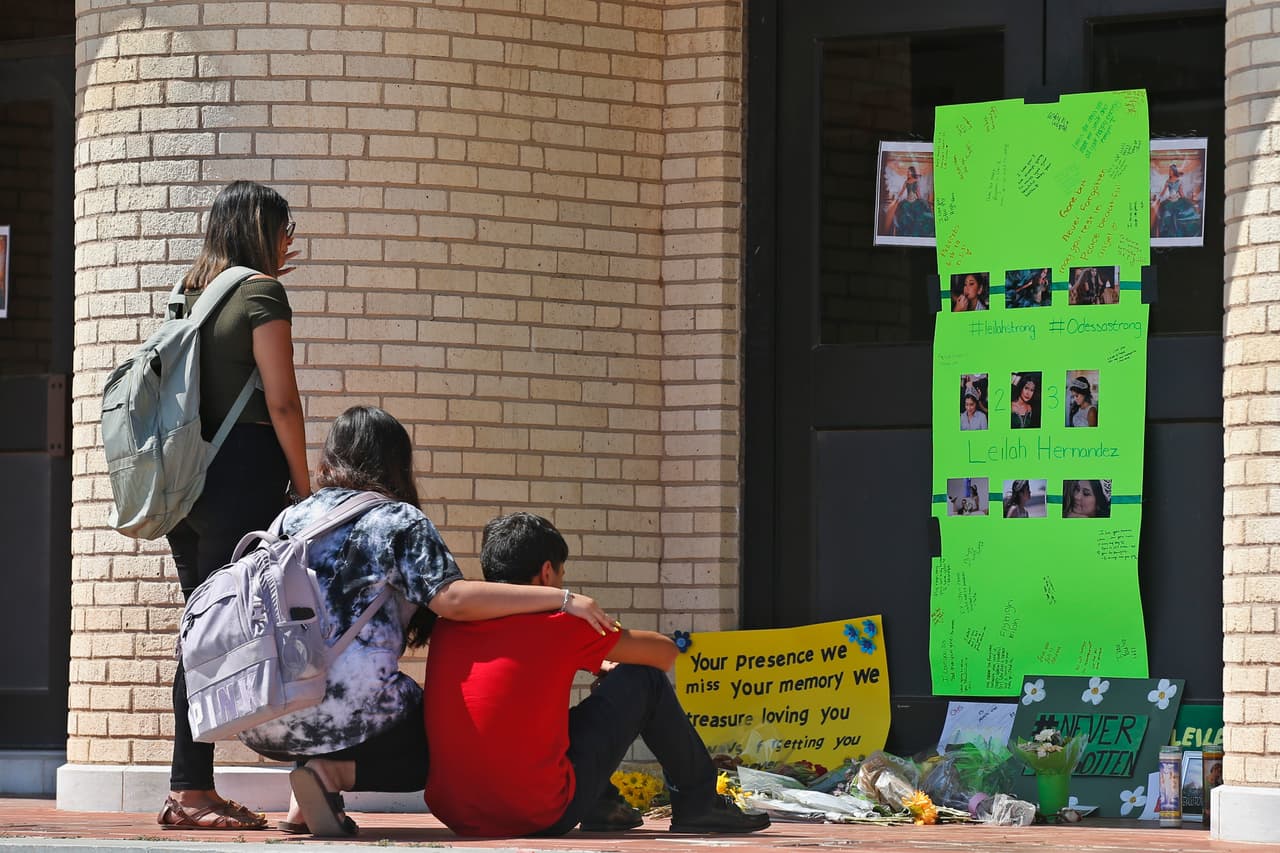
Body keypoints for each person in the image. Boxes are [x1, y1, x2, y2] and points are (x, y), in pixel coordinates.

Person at [241, 407, 614, 837]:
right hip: (340, 710)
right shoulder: (396, 519)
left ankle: (302, 803)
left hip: (265, 710)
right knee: (451, 732)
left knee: (320, 667)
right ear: (396, 462)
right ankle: (326, 775)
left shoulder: (291, 518)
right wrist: (560, 599)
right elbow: (452, 599)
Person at [422, 513, 772, 838]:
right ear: (547, 573)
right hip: (538, 814)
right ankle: (699, 803)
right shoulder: (559, 624)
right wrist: (605, 655)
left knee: (551, 722)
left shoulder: (449, 625)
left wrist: (592, 660)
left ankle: (604, 805)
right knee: (642, 679)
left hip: (457, 813)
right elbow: (663, 653)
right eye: (561, 574)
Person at [158, 181, 311, 830]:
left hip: (185, 485)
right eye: (285, 228)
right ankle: (190, 791)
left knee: (202, 630)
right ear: (259, 228)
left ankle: (192, 786)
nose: (291, 240)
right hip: (240, 476)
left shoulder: (188, 292)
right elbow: (282, 400)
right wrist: (308, 485)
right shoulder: (259, 293)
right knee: (214, 634)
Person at [1153, 163, 1202, 239]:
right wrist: (1159, 197)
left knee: (1187, 208)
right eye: (1169, 171)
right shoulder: (1168, 181)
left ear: (1174, 171)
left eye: (1171, 171)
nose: (1169, 172)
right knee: (1166, 211)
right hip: (1170, 199)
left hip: (1177, 198)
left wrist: (1186, 199)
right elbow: (1163, 191)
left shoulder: (1179, 181)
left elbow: (1181, 192)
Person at [885, 165, 935, 237]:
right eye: (907, 172)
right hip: (907, 201)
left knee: (919, 214)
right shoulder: (906, 182)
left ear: (912, 172)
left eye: (909, 172)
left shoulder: (916, 181)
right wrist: (897, 198)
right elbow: (902, 191)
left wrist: (921, 199)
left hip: (915, 200)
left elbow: (918, 192)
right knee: (903, 212)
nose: (908, 173)